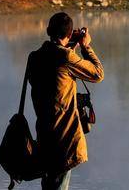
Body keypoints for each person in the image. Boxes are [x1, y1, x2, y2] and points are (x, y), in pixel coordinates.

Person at [28, 12, 104, 190]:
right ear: (69, 34)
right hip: (64, 140)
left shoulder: (34, 57)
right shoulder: (66, 58)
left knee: (49, 185)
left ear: (48, 31)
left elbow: (57, 72)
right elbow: (97, 74)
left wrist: (70, 45)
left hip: (44, 136)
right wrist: (85, 47)